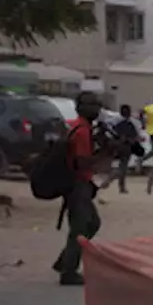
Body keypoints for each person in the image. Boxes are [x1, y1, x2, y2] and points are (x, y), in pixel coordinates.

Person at [53, 92, 103, 287]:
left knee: (92, 223)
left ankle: (65, 261)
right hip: (77, 184)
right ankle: (69, 271)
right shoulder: (82, 131)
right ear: (82, 107)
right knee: (81, 227)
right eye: (93, 106)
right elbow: (82, 162)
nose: (97, 110)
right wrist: (103, 155)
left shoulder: (75, 125)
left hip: (75, 183)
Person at [102, 104, 140, 194]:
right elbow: (134, 136)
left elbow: (112, 133)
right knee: (123, 167)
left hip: (116, 146)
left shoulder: (115, 122)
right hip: (126, 147)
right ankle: (110, 180)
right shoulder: (131, 124)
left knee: (121, 166)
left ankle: (121, 187)